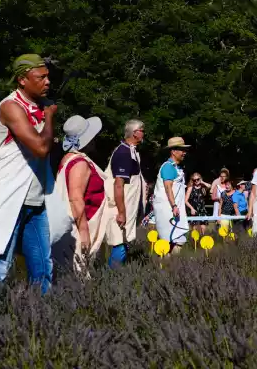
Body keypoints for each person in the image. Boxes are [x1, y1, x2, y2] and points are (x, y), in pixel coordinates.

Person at [0, 54, 71, 295]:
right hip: (8, 198)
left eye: (48, 76)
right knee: (0, 264)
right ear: (22, 80)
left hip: (34, 200)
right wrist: (49, 117)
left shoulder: (38, 106)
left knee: (43, 266)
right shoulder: (11, 107)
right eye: (41, 77)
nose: (48, 82)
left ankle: (43, 317)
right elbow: (40, 148)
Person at [56, 115, 107, 274]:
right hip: (80, 225)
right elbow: (75, 198)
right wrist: (84, 232)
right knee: (79, 273)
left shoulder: (67, 159)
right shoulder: (80, 163)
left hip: (71, 223)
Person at [103, 119, 147, 267]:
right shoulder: (123, 153)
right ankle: (111, 278)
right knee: (119, 245)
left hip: (128, 207)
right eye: (142, 130)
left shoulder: (131, 151)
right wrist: (121, 212)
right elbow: (118, 185)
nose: (144, 133)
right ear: (135, 133)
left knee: (124, 242)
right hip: (120, 208)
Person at [153, 137, 191, 254]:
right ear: (173, 151)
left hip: (174, 208)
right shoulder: (168, 167)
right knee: (172, 239)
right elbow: (168, 187)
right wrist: (174, 205)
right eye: (181, 150)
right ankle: (168, 265)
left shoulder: (176, 167)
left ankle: (170, 265)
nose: (184, 152)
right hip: (168, 209)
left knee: (175, 239)